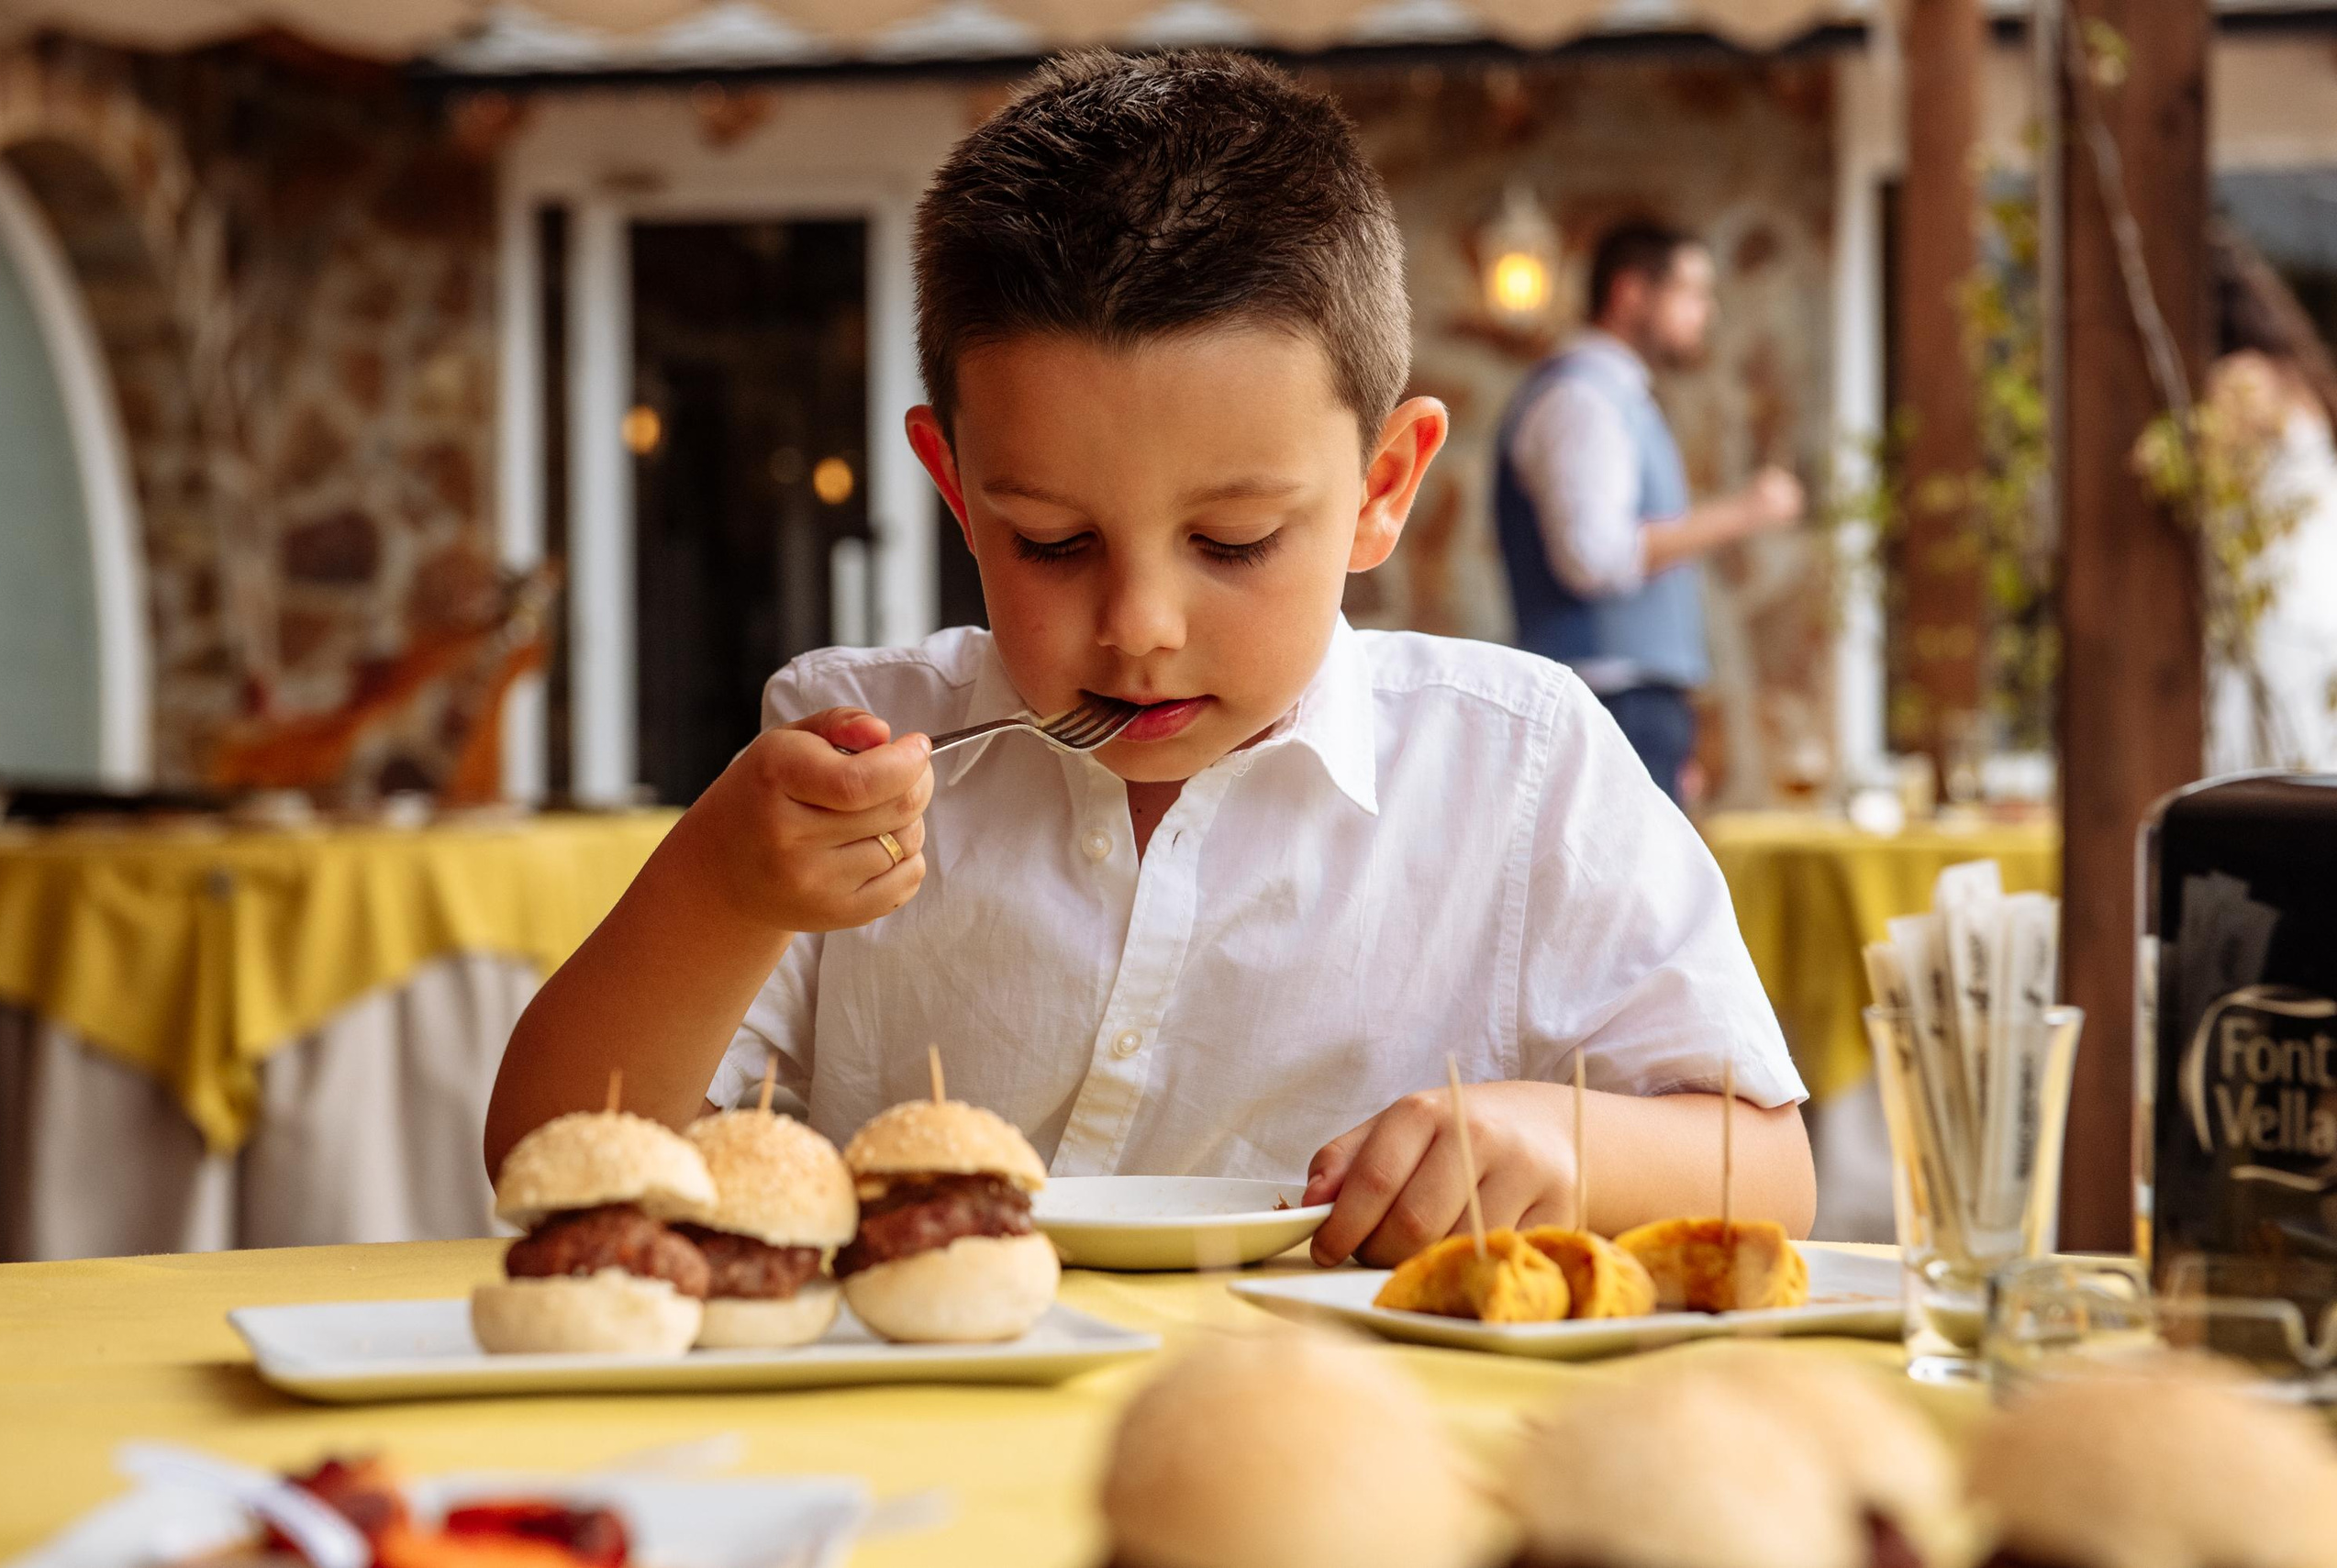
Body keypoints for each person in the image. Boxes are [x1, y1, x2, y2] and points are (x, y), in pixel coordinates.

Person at [485, 50, 1815, 1266]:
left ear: (1382, 487)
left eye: (1233, 541)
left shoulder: (1518, 766)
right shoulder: (852, 742)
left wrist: (1565, 1140)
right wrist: (720, 890)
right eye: (1053, 543)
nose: (1140, 624)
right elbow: (546, 1160)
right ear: (956, 490)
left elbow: (1769, 1169)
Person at [1494, 222, 1805, 802]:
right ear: (1631, 292)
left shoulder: (1615, 396)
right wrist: (1745, 512)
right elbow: (1594, 559)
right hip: (1606, 703)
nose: (1707, 312)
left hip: (1633, 705)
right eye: (1691, 292)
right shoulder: (1582, 399)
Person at [2200, 232, 2337, 774]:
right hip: (2319, 591)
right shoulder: (2297, 374)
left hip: (2280, 608)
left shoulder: (2243, 380)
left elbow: (2205, 496)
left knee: (2262, 776)